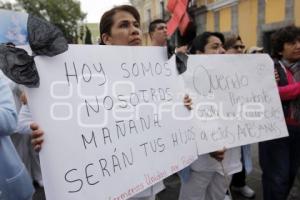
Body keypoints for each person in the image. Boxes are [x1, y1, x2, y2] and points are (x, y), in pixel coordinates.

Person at [179, 32, 242, 200]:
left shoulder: (238, 78)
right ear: (199, 54)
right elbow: (183, 119)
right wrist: (210, 145)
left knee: (217, 196)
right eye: (215, 47)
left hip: (229, 156)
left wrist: (265, 81)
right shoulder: (183, 82)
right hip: (199, 162)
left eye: (222, 46)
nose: (222, 50)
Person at [259, 25, 300, 200]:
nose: (298, 46)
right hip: (275, 131)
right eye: (292, 42)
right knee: (277, 178)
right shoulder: (268, 66)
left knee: (291, 174)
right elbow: (271, 93)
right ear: (280, 48)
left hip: (298, 131)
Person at [224, 34, 255, 199]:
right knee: (225, 159)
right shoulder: (216, 70)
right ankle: (223, 190)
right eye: (235, 47)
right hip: (224, 123)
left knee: (242, 155)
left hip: (242, 122)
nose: (239, 49)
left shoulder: (248, 67)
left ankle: (240, 184)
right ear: (225, 49)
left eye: (241, 47)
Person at [0, 76, 34, 200]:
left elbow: (9, 119)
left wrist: (26, 93)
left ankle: (37, 177)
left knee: (24, 152)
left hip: (7, 186)